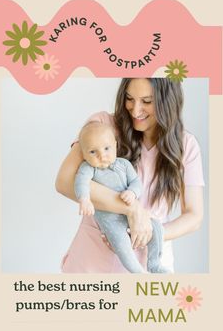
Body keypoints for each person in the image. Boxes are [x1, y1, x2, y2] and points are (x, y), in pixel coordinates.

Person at [56, 78, 204, 273]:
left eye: (147, 101)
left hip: (150, 264)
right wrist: (133, 210)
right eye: (129, 98)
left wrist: (148, 233)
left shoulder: (186, 145)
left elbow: (194, 216)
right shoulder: (102, 125)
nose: (135, 110)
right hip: (92, 263)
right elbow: (65, 181)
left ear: (167, 102)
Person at [74, 121, 168, 273]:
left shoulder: (123, 164)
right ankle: (139, 273)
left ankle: (154, 264)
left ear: (115, 145)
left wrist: (132, 192)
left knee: (156, 228)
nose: (102, 155)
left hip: (131, 214)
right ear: (83, 153)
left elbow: (136, 182)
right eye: (92, 152)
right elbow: (81, 182)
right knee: (122, 247)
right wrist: (84, 199)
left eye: (106, 148)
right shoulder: (89, 168)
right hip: (110, 220)